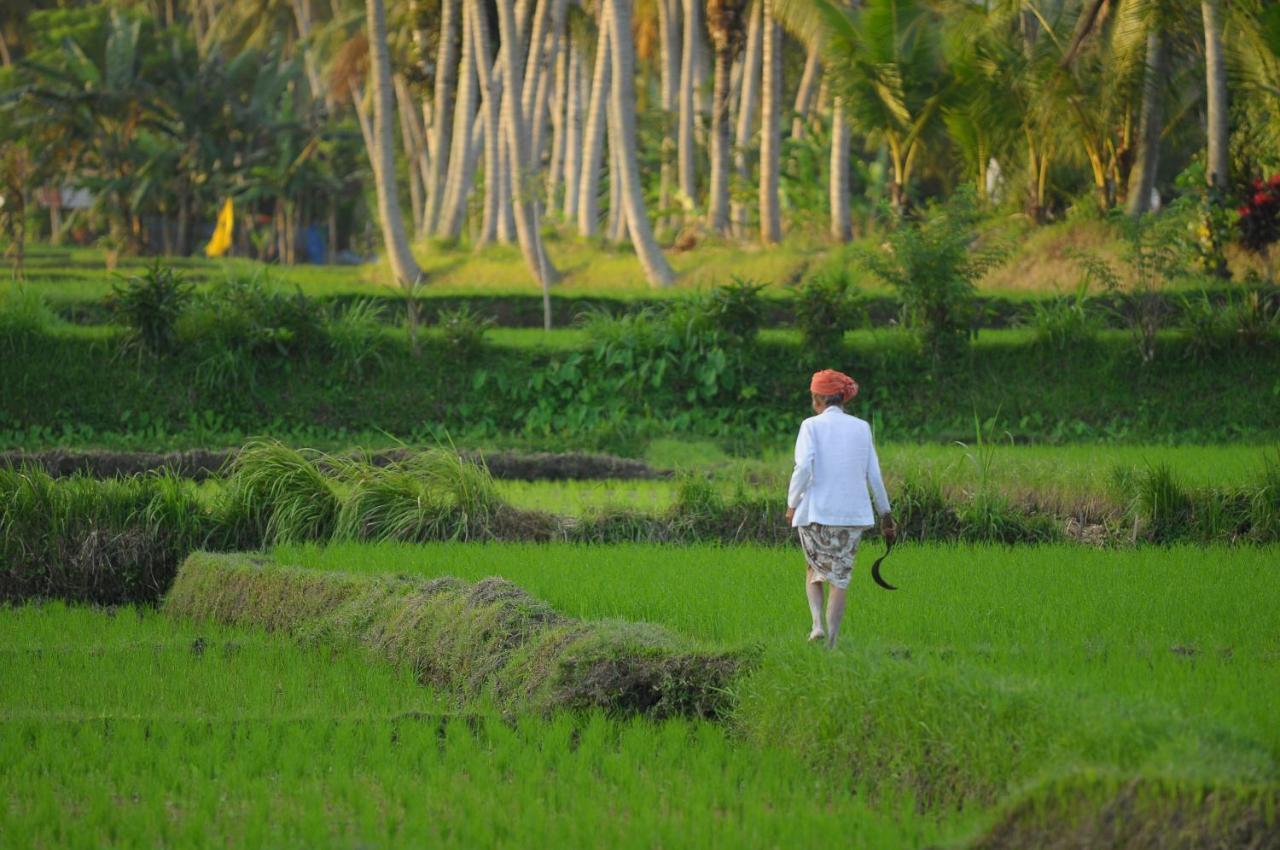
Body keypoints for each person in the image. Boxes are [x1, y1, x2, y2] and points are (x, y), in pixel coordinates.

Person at [784, 369, 895, 649]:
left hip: (816, 514)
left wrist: (792, 503)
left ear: (818, 398)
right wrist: (886, 517)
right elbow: (874, 476)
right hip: (852, 516)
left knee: (813, 568)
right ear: (841, 398)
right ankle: (832, 643)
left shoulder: (810, 426)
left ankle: (817, 624)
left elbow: (803, 467)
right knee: (840, 580)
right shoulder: (861, 427)